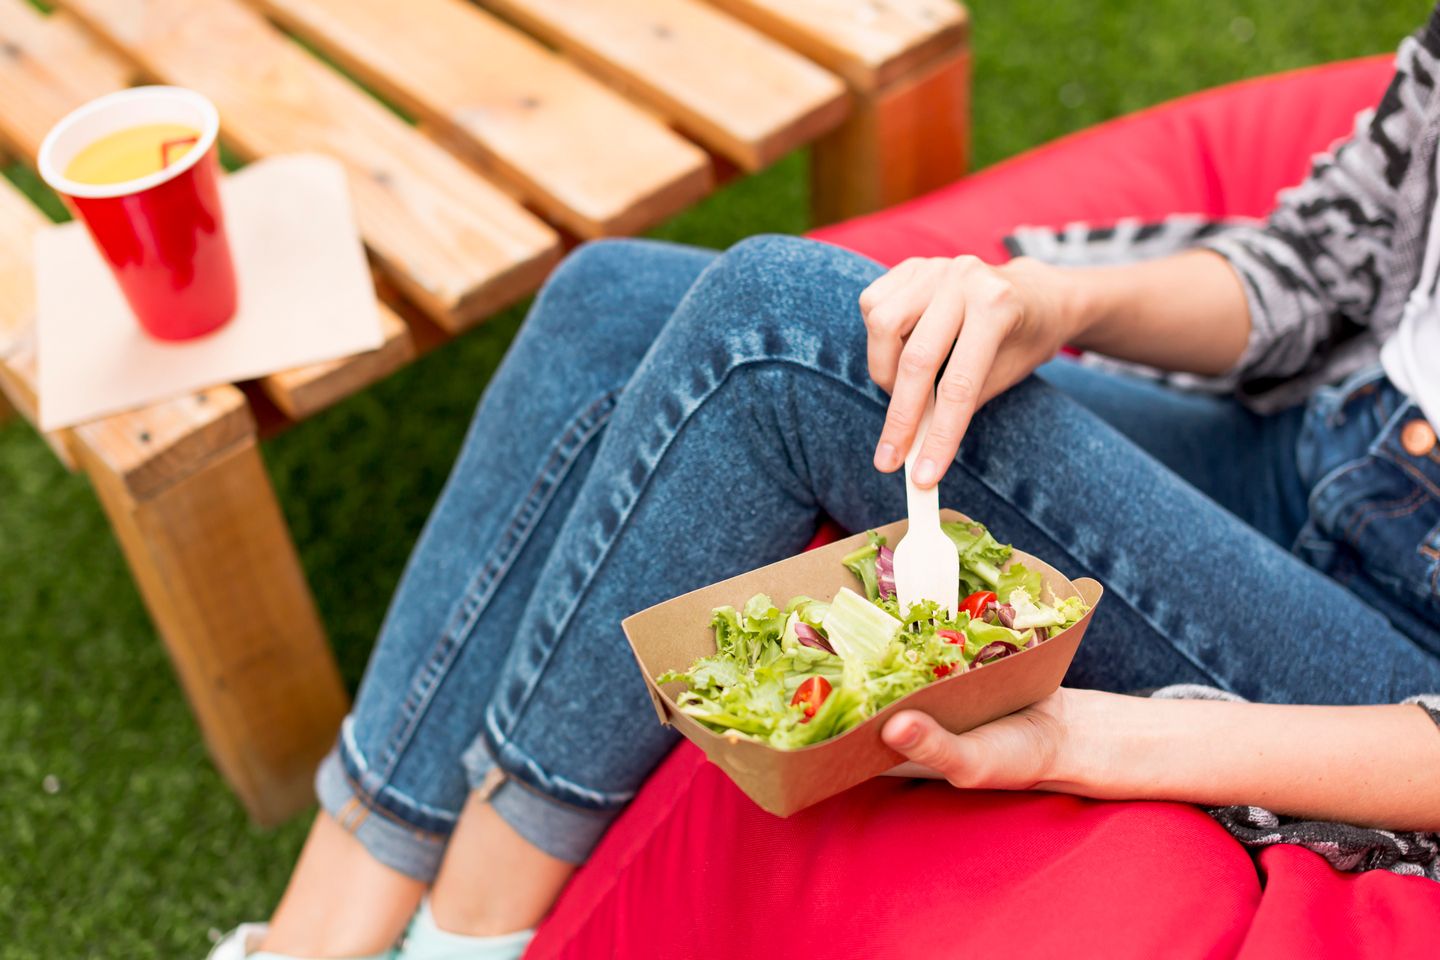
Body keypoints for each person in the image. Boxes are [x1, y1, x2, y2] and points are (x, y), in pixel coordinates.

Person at [211, 9, 1440, 959]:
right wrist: (1056, 303)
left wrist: (1108, 738)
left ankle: (472, 933)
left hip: (1397, 661)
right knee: (608, 306)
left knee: (777, 331)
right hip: (1320, 446)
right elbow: (1310, 273)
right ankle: (320, 927)